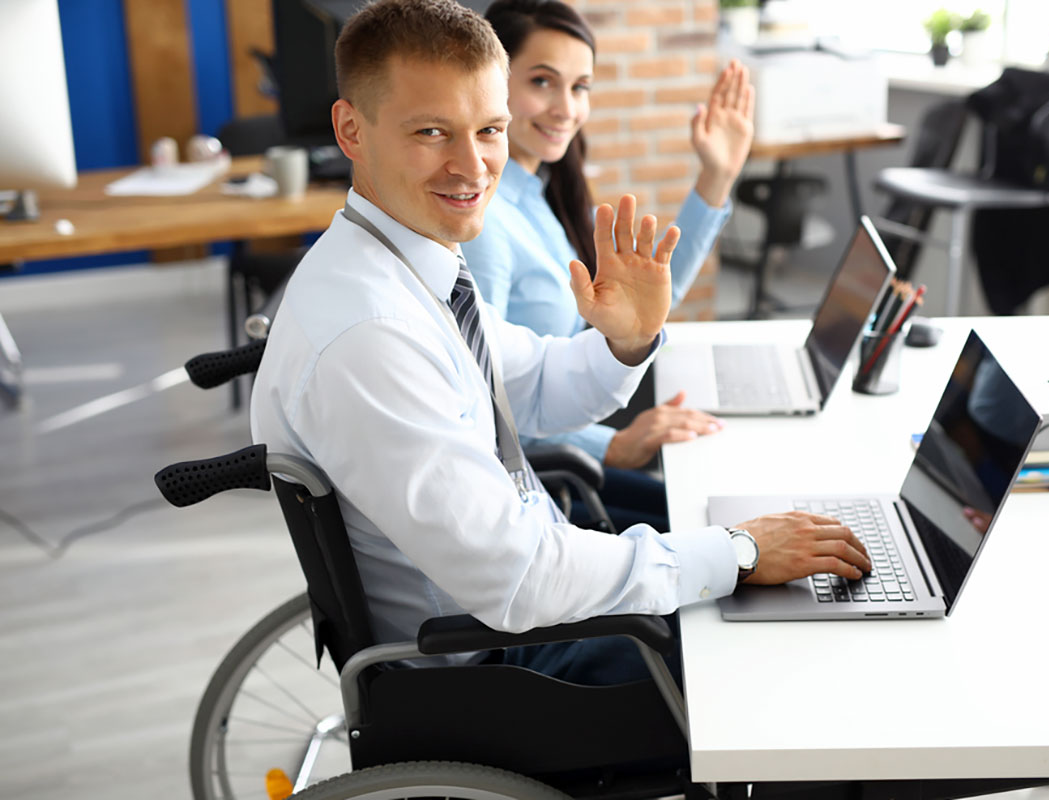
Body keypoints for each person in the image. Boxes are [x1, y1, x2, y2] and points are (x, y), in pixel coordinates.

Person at [250, 0, 870, 686]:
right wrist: (738, 553)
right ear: (351, 130)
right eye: (431, 132)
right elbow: (521, 576)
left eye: (488, 130)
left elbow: (536, 382)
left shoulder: (406, 265)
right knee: (799, 658)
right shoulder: (370, 335)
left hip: (531, 599)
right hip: (497, 662)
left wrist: (624, 341)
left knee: (777, 594)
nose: (473, 166)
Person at [460, 0, 756, 529]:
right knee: (721, 536)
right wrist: (613, 444)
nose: (566, 108)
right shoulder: (485, 223)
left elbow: (642, 306)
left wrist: (716, 176)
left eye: (580, 88)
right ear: (490, 82)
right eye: (543, 82)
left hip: (563, 456)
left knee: (728, 505)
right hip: (533, 489)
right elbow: (481, 406)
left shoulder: (538, 195)